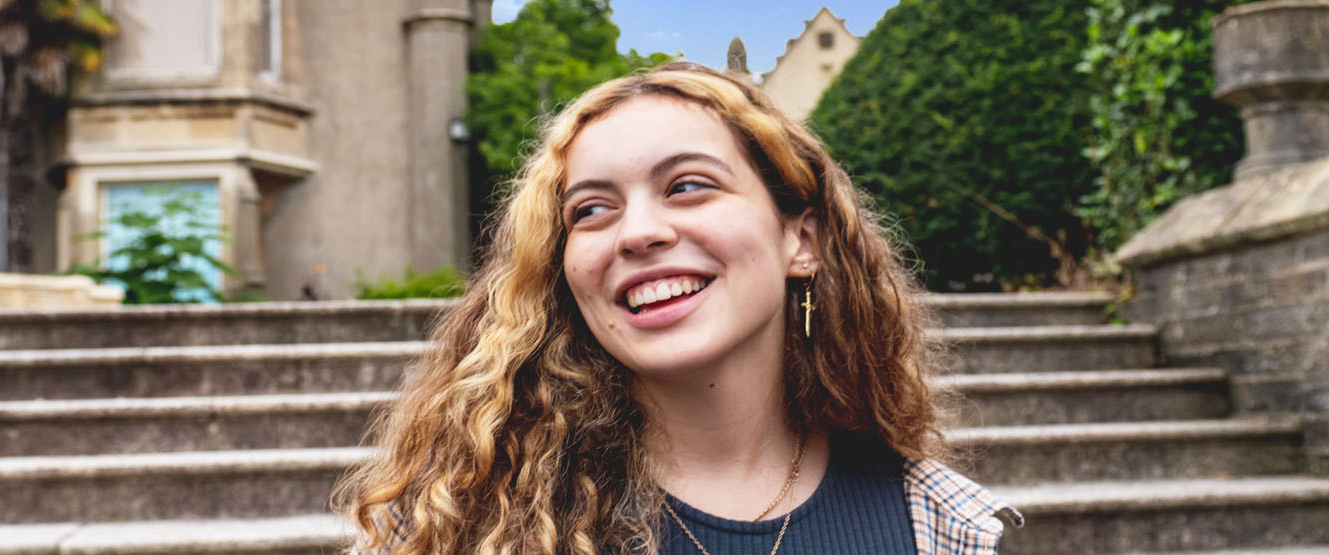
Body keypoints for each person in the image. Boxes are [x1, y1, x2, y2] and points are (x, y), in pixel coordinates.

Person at [335, 62, 1021, 554]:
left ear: (800, 240)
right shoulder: (453, 526)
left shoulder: (940, 524)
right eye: (592, 209)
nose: (638, 232)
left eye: (688, 185)